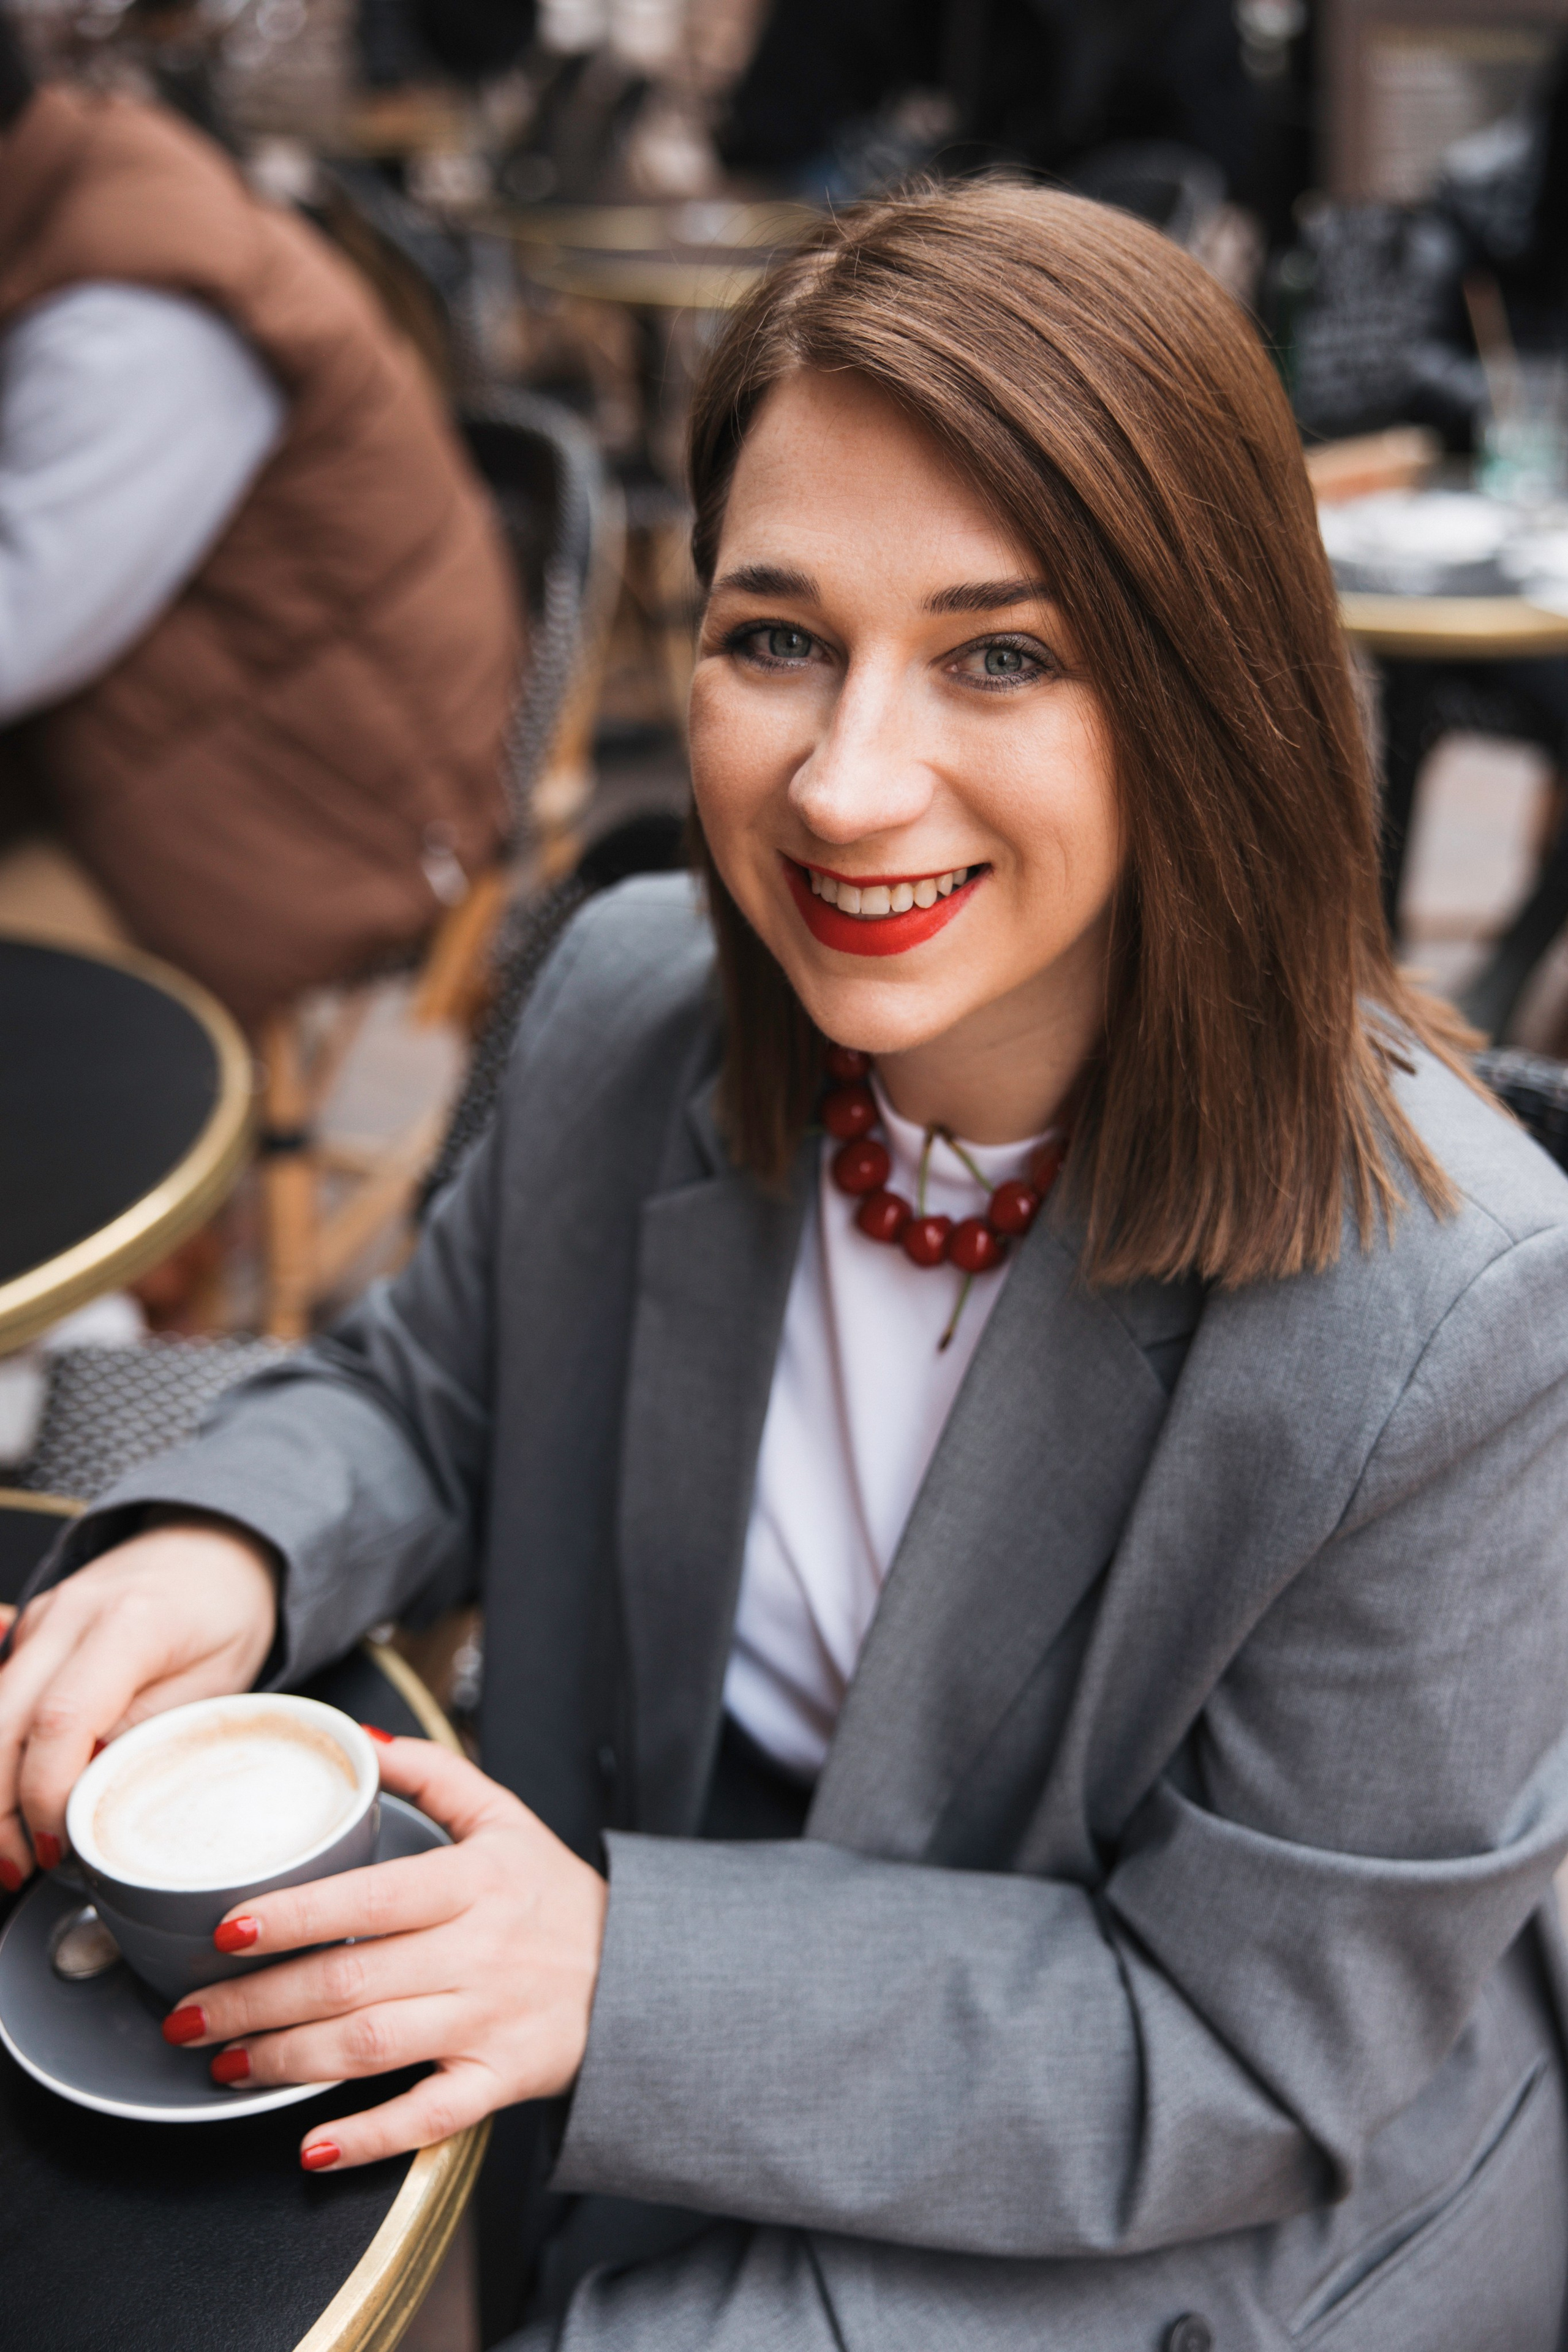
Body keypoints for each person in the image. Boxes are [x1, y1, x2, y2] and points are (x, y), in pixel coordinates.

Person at [4, 182, 1568, 2352]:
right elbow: (430, 1394)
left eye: (1000, 654)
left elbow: (1243, 2052)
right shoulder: (639, 1000)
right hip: (684, 1990)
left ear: (1208, 697)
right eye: (775, 637)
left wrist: (622, 1972)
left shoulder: (1461, 1319)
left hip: (1192, 2207)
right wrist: (226, 1551)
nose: (845, 782)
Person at [0, 24, 521, 1024]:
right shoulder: (99, 173)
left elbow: (20, 626)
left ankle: (150, 1159)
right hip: (231, 724)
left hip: (327, 805)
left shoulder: (128, 318)